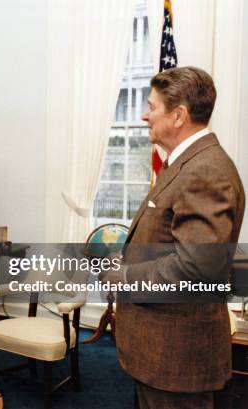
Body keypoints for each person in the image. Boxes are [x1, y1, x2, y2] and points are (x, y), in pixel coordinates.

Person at [108, 67, 245, 408]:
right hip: (160, 354)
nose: (144, 115)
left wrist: (124, 276)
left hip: (177, 360)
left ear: (179, 115)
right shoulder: (184, 164)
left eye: (152, 107)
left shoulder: (206, 170)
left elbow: (195, 269)